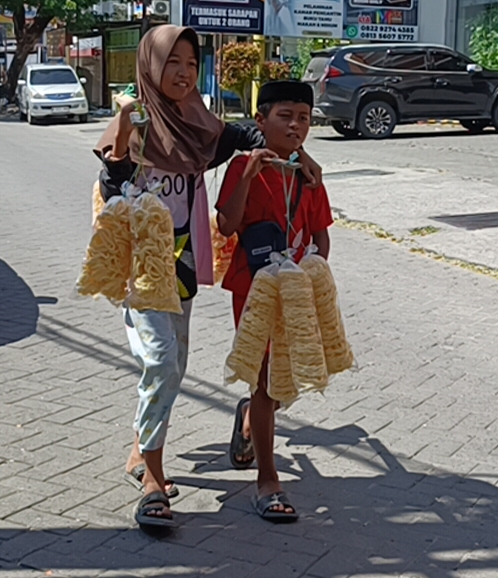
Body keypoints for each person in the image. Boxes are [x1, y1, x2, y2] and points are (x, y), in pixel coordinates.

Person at [92, 26, 323, 530]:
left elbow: (256, 135)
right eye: (172, 62)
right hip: (142, 264)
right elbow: (110, 187)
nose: (182, 73)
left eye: (191, 64)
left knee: (171, 367)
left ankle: (139, 450)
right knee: (161, 360)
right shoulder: (135, 127)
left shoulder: (201, 126)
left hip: (184, 265)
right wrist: (125, 127)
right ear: (151, 65)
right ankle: (152, 480)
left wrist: (300, 158)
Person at [215, 80, 332, 523]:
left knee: (287, 380)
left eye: (304, 118)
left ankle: (250, 418)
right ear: (261, 120)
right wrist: (246, 175)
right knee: (265, 379)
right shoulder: (243, 165)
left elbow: (321, 237)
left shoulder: (309, 174)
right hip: (254, 287)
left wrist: (314, 278)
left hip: (297, 289)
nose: (296, 125)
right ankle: (268, 480)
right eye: (285, 116)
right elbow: (227, 225)